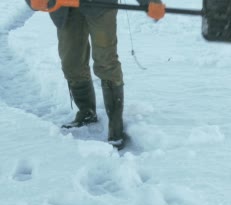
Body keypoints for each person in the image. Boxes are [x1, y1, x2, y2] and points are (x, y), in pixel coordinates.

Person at [25, 0, 164, 149]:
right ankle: (86, 112)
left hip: (100, 5)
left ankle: (115, 126)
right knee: (71, 63)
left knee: (106, 62)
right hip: (64, 7)